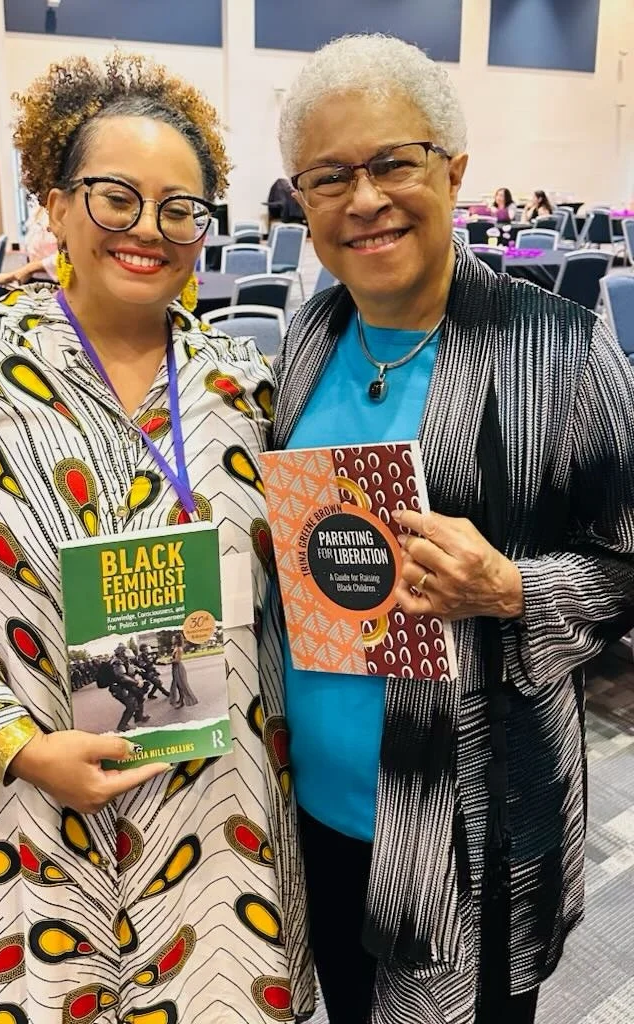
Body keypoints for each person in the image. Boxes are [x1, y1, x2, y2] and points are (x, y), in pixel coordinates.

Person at [0, 51, 313, 1023]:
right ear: (57, 203)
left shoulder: (245, 384)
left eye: (180, 209)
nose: (148, 228)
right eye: (117, 197)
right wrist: (16, 744)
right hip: (18, 803)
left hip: (213, 814)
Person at [274, 32, 634, 1024]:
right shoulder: (309, 339)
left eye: (394, 161)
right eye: (328, 176)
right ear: (302, 200)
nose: (364, 198)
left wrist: (512, 589)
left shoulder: (557, 350)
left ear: (454, 170)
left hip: (474, 832)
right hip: (314, 814)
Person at [169, 634, 198, 708]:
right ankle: (180, 700)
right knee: (177, 685)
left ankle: (183, 702)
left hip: (178, 668)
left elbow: (178, 660)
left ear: (177, 640)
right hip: (175, 668)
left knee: (181, 685)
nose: (172, 640)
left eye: (173, 638)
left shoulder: (179, 649)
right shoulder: (175, 647)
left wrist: (170, 661)